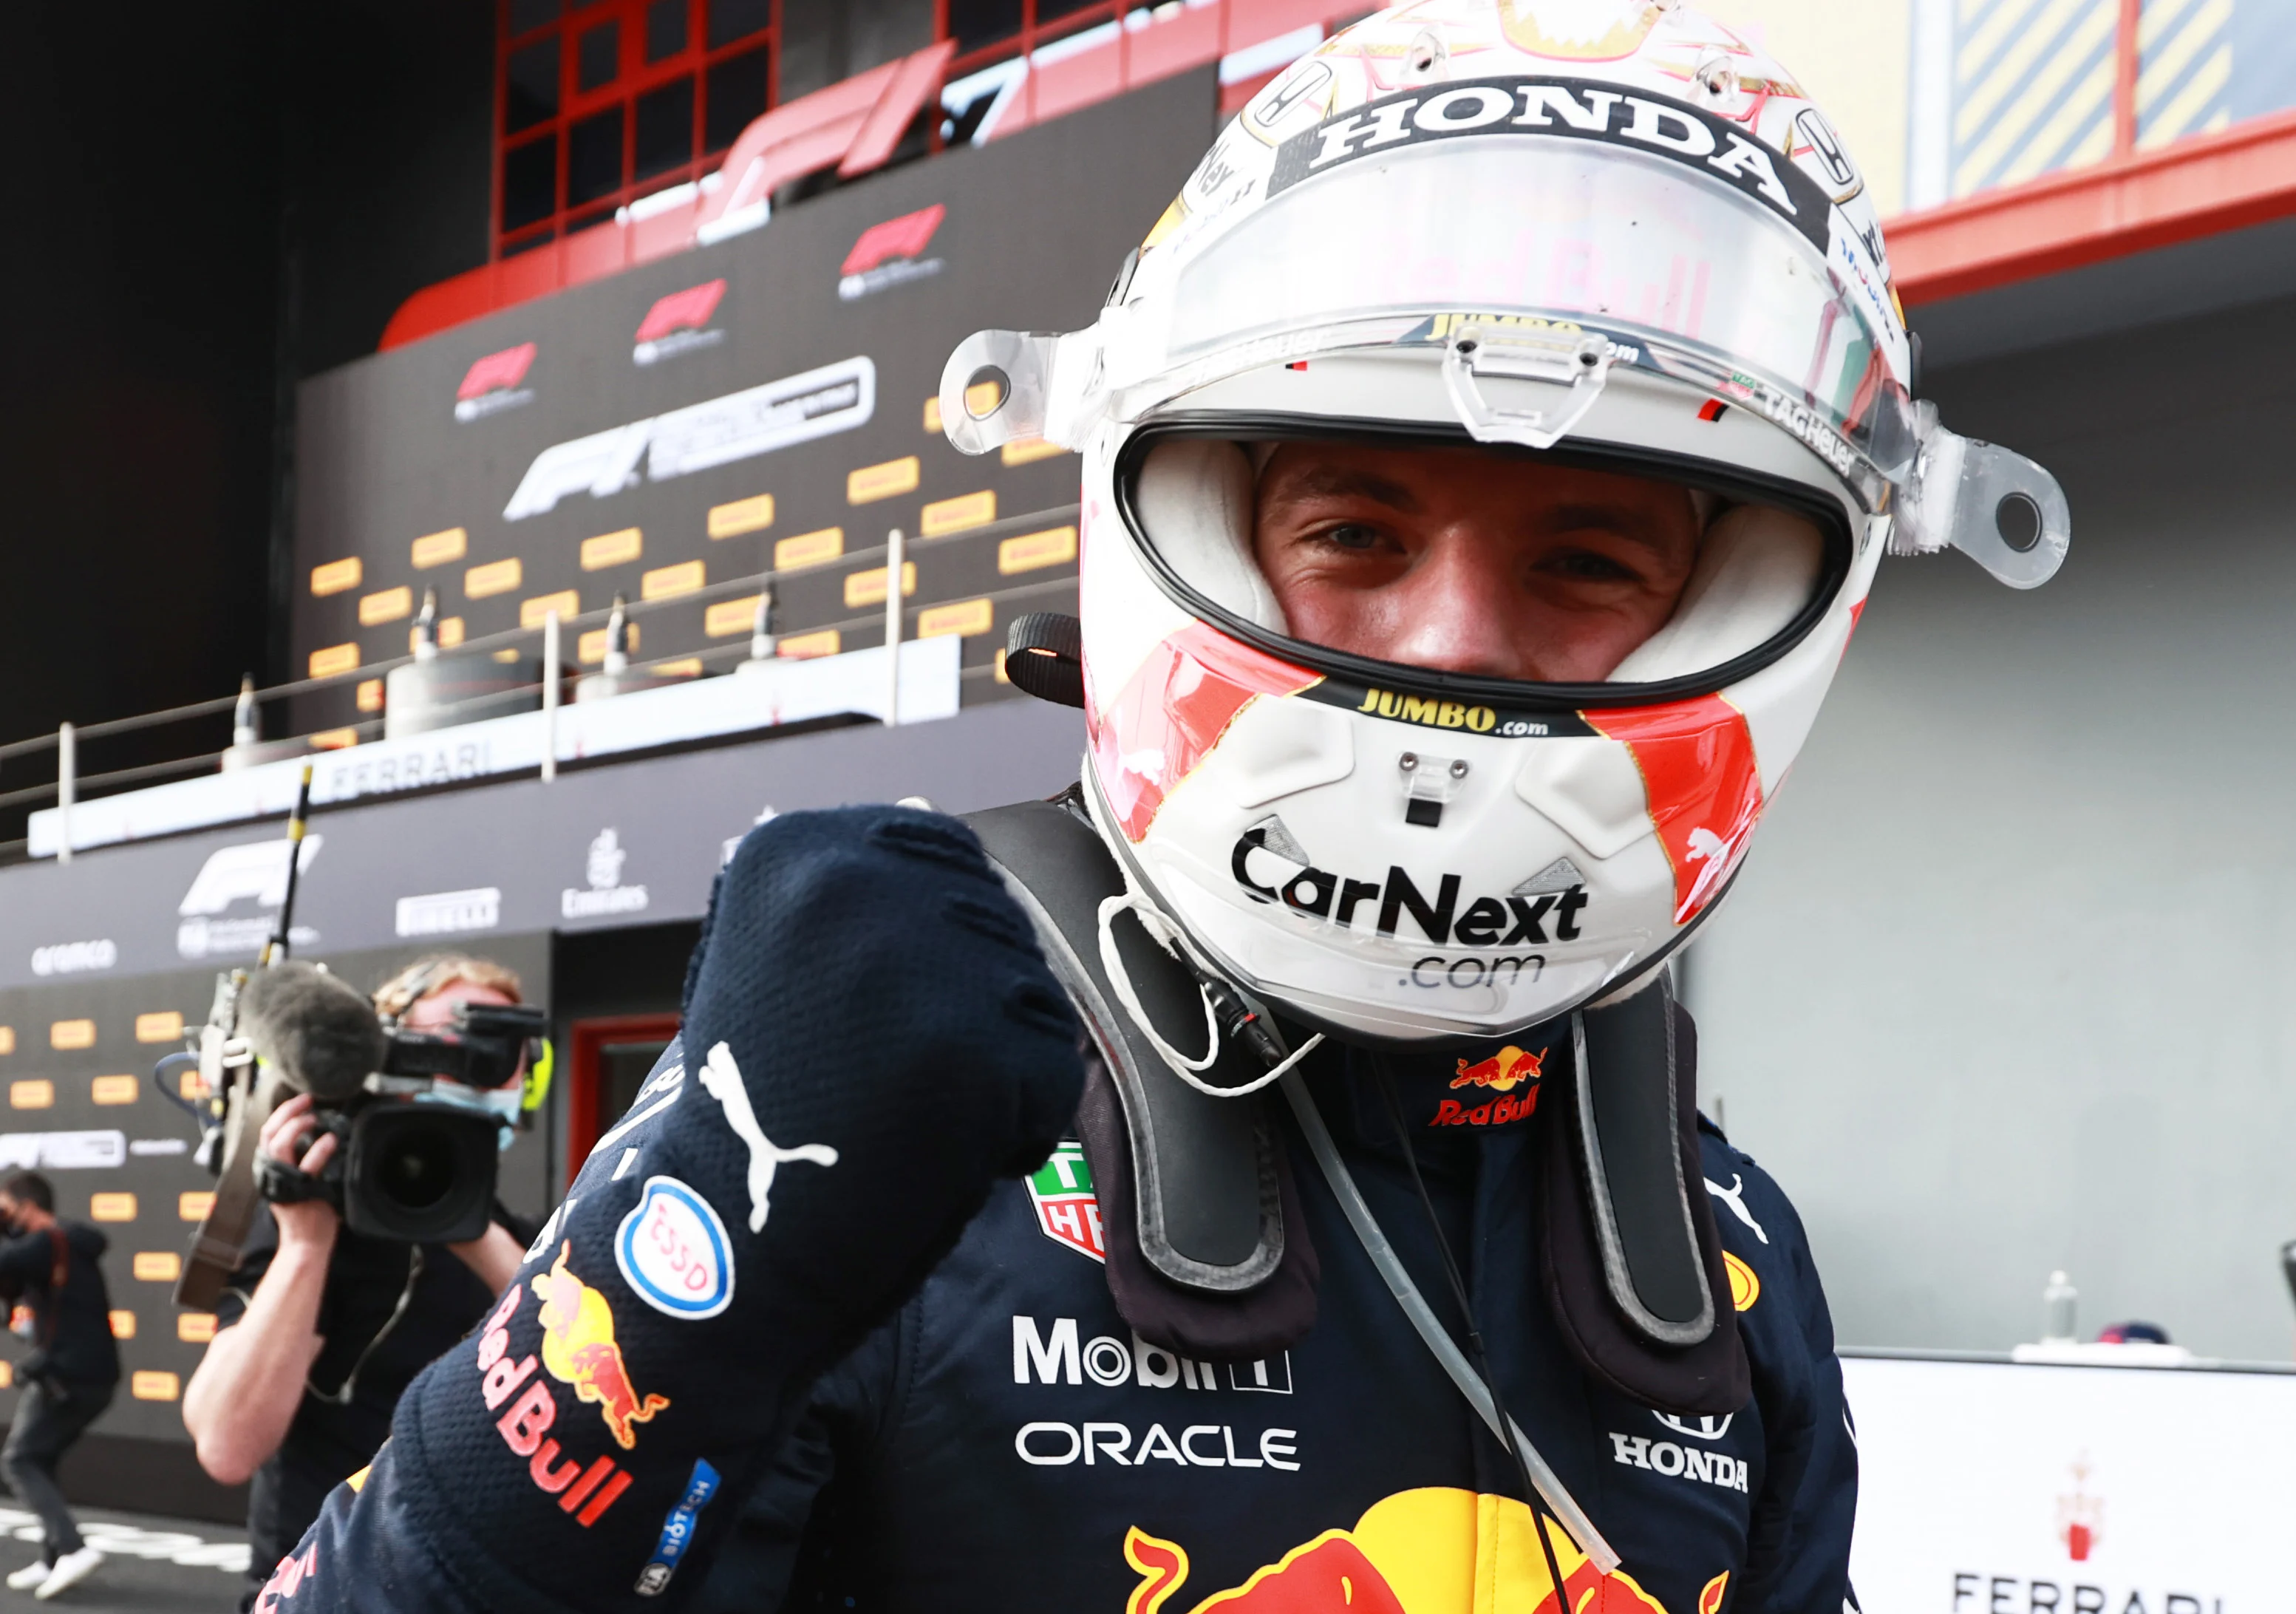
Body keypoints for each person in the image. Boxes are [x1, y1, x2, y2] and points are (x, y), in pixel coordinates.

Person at [255, 6, 2071, 1611]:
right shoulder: (887, 1144)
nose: (1449, 643)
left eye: (1586, 556)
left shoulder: (1724, 1256)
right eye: (1352, 531)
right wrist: (697, 1261)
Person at [180, 956, 534, 1611]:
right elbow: (227, 1444)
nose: (470, 1068)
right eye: (443, 1043)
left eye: (499, 1049)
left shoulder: (524, 1236)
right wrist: (305, 1244)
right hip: (325, 1588)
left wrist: (470, 1227)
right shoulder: (314, 1218)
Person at [0, 1172, 119, 1601]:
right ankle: (53, 1556)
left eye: (6, 1210)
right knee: (39, 1458)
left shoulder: (47, 1242)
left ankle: (72, 1548)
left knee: (20, 1459)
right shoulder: (61, 1244)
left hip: (69, 1376)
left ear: (26, 1208)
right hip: (81, 1374)